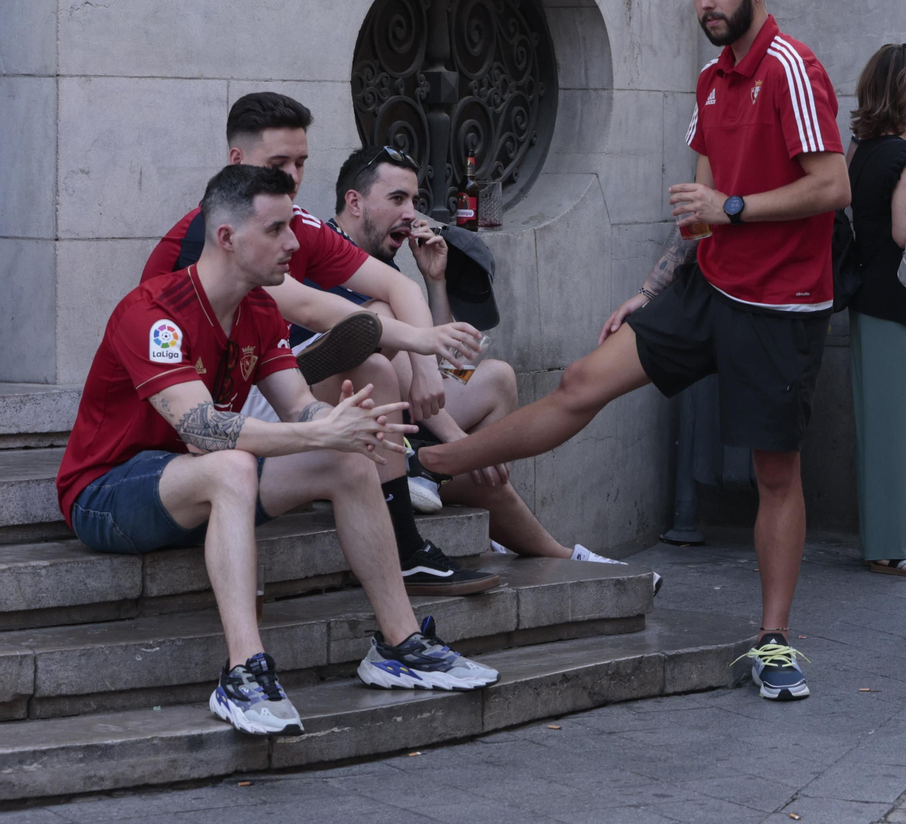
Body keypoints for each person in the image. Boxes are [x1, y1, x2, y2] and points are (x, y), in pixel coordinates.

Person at [415, 0, 848, 702]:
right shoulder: (711, 83)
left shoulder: (792, 67)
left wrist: (733, 205)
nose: (704, 4)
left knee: (773, 473)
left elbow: (831, 187)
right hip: (705, 288)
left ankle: (774, 639)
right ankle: (426, 465)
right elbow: (700, 211)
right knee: (583, 379)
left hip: (781, 306)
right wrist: (652, 291)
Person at [57, 166, 497, 735]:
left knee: (347, 458)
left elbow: (296, 406)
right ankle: (244, 673)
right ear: (227, 238)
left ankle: (399, 644)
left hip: (198, 481)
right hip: (107, 492)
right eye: (276, 229)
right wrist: (315, 433)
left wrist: (339, 422)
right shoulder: (153, 313)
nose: (294, 243)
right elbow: (204, 429)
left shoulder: (260, 309)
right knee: (232, 464)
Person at [141, 94, 498, 597]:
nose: (292, 176)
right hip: (187, 414)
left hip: (254, 385)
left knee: (374, 365)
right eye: (278, 163)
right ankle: (408, 469)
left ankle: (405, 543)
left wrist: (424, 370)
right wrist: (421, 340)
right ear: (238, 162)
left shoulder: (297, 224)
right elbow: (308, 307)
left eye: (301, 162)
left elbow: (400, 287)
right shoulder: (214, 234)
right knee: (369, 345)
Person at [327, 145, 637, 573]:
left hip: (399, 420)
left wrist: (434, 281)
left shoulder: (386, 266)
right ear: (355, 202)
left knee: (497, 379)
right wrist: (465, 446)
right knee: (380, 324)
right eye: (397, 199)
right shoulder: (324, 253)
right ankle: (561, 555)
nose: (410, 213)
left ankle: (439, 476)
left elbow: (441, 370)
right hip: (345, 433)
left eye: (414, 201)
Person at [844, 43, 906, 579]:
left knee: (881, 429)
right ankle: (905, 546)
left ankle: (888, 544)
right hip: (899, 304)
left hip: (869, 302)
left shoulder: (860, 151)